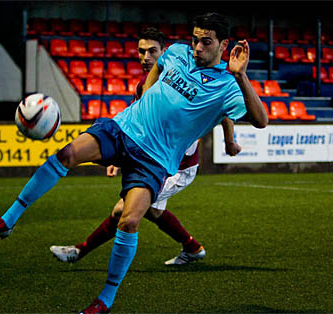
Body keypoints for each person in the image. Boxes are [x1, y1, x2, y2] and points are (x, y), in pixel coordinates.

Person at [0, 12, 267, 314]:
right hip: (123, 128)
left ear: (224, 45)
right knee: (67, 155)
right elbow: (159, 67)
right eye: (195, 40)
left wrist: (240, 74)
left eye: (206, 42)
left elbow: (261, 120)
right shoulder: (177, 52)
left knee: (129, 219)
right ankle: (8, 220)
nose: (197, 48)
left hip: (154, 160)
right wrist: (145, 96)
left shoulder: (229, 86)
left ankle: (105, 300)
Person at [49, 27, 242, 266]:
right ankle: (192, 247)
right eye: (142, 52)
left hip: (178, 167)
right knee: (150, 210)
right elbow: (134, 127)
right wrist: (117, 161)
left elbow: (223, 109)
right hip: (151, 161)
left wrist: (230, 140)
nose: (146, 58)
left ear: (166, 53)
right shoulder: (144, 85)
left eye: (153, 52)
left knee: (124, 210)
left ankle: (80, 251)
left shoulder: (188, 78)